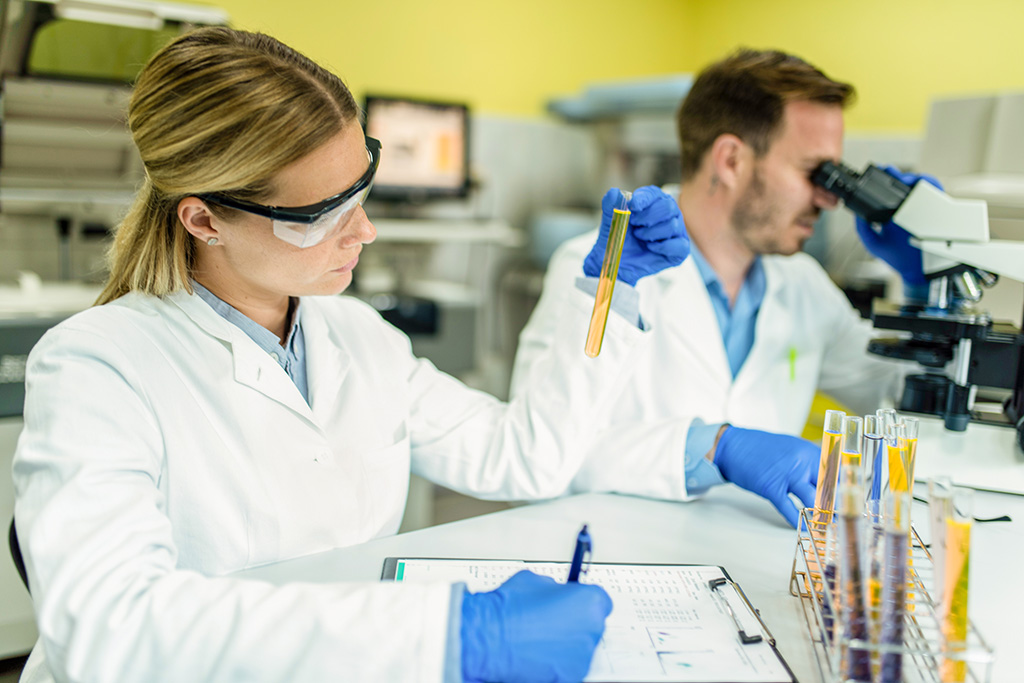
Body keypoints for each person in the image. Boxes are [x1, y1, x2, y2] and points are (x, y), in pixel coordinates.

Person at [11, 28, 689, 683]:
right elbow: (108, 628)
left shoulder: (361, 336)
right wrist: (443, 637)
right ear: (204, 220)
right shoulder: (96, 366)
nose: (362, 230)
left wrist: (610, 287)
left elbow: (526, 453)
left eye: (360, 192)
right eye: (320, 214)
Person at [512, 48, 935, 528]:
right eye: (814, 173)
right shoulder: (604, 267)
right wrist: (714, 448)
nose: (828, 199)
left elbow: (899, 395)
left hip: (748, 571)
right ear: (731, 160)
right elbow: (536, 451)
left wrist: (926, 285)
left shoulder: (802, 285)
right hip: (620, 563)